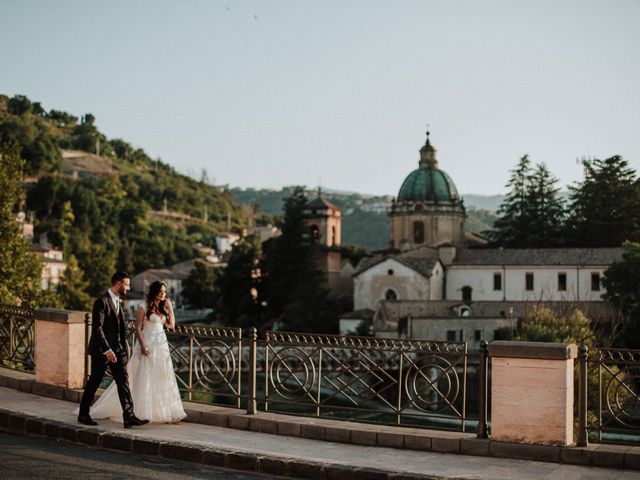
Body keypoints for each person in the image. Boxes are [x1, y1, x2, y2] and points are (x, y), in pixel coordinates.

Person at [87, 280, 186, 423]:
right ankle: (137, 412)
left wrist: (170, 309)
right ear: (154, 292)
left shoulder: (164, 306)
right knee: (144, 375)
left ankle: (161, 411)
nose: (163, 294)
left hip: (161, 344)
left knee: (161, 375)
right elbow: (138, 328)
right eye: (161, 292)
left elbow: (171, 326)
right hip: (147, 342)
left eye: (165, 292)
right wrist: (143, 345)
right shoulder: (143, 307)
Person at [78, 272, 149, 428]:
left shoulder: (118, 302)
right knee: (94, 382)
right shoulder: (101, 302)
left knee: (123, 382)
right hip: (101, 351)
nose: (129, 287)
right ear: (118, 284)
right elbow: (97, 328)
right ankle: (83, 414)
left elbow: (119, 329)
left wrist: (122, 349)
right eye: (127, 284)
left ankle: (129, 417)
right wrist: (107, 350)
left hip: (118, 350)